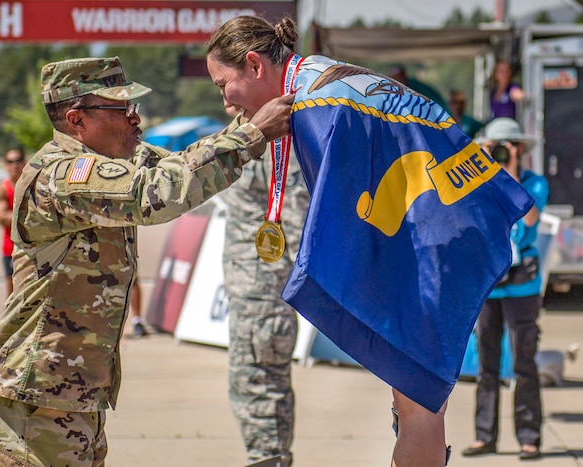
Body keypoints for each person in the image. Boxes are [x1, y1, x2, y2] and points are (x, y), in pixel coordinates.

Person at [206, 15, 533, 467]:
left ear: (255, 65)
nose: (224, 101)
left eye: (224, 84)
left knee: (419, 404)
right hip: (450, 228)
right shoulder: (330, 78)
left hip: (428, 244)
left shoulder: (316, 106)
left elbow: (345, 220)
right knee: (415, 401)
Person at [0, 55, 294, 466]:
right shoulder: (61, 175)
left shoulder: (114, 161)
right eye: (121, 108)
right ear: (77, 120)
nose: (134, 118)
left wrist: (248, 120)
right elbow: (154, 194)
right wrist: (251, 134)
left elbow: (184, 164)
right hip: (32, 400)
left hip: (70, 394)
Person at [219, 98, 310, 466]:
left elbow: (296, 216)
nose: (225, 97)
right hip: (250, 293)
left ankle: (270, 459)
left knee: (261, 384)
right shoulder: (248, 132)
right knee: (249, 382)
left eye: (228, 83)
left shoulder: (279, 139)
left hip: (265, 296)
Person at [462, 117, 549, 461]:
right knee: (487, 364)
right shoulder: (479, 183)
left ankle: (529, 437)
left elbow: (528, 218)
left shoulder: (535, 183)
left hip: (522, 287)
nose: (500, 153)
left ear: (521, 150)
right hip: (489, 283)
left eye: (508, 148)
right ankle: (485, 436)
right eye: (495, 147)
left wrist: (510, 169)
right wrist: (487, 167)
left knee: (524, 361)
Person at [0, 148, 26, 297]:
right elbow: (3, 218)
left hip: (35, 248)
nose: (14, 165)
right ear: (5, 165)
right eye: (10, 162)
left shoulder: (34, 187)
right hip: (11, 249)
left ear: (24, 163)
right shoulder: (1, 190)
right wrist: (35, 216)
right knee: (13, 296)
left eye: (18, 161)